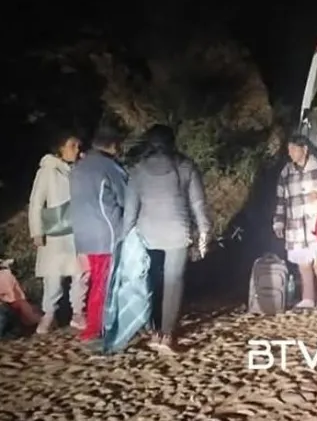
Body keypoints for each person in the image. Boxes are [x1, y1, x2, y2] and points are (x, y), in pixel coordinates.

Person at [121, 124, 211, 354]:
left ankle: (153, 329)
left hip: (146, 233)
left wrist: (123, 239)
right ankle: (167, 334)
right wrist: (204, 232)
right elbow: (198, 204)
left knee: (149, 280)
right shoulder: (185, 166)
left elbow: (130, 211)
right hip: (177, 231)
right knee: (173, 281)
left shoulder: (138, 170)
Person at [68, 124, 128, 342]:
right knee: (104, 282)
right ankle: (95, 327)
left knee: (96, 279)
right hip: (107, 232)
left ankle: (100, 324)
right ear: (113, 145)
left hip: (83, 234)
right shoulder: (109, 167)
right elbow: (126, 198)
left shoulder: (78, 168)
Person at [28, 128, 86, 335]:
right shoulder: (48, 171)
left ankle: (78, 312)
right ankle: (49, 313)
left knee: (80, 272)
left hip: (78, 228)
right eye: (72, 146)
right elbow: (36, 202)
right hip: (55, 230)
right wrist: (36, 231)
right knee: (53, 275)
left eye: (78, 146)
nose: (76, 150)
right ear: (60, 148)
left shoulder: (79, 169)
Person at [272, 135, 317, 314]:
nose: (291, 153)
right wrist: (279, 222)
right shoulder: (286, 172)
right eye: (289, 150)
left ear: (305, 149)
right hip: (295, 224)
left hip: (316, 223)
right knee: (303, 262)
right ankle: (308, 298)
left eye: (294, 149)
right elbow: (281, 199)